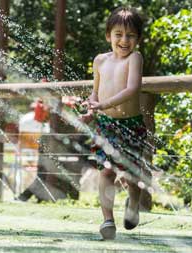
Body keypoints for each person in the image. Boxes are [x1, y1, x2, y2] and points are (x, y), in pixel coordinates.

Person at [81, 6, 146, 240]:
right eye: (118, 34)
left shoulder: (135, 58)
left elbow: (132, 89)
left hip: (131, 126)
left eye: (130, 35)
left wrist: (102, 104)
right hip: (106, 125)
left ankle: (134, 202)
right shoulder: (100, 61)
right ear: (108, 36)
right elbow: (95, 93)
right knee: (106, 172)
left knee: (130, 175)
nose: (124, 40)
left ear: (137, 39)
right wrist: (91, 109)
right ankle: (107, 220)